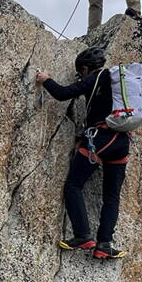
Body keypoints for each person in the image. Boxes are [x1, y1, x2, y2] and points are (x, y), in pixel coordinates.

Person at [35, 47, 128, 259]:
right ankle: (104, 245)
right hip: (122, 141)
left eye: (81, 72)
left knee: (73, 185)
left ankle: (83, 235)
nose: (81, 76)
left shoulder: (94, 79)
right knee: (111, 197)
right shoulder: (118, 81)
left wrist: (46, 79)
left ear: (85, 68)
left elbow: (62, 94)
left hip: (101, 139)